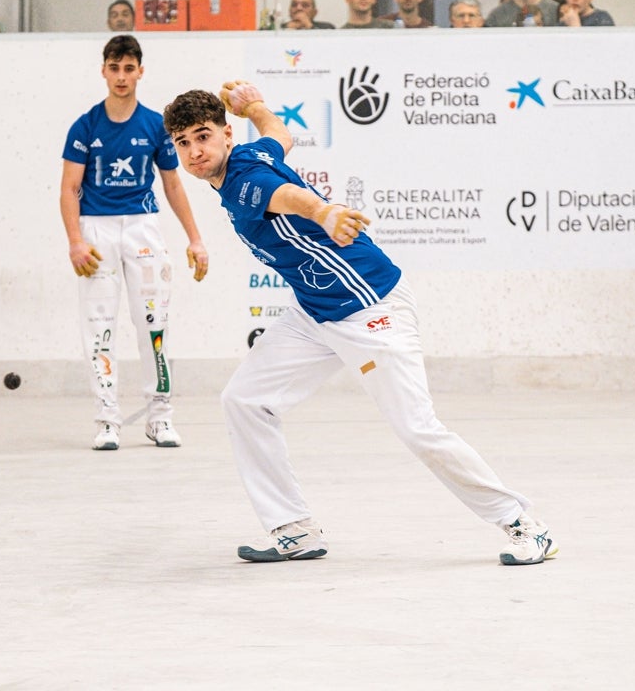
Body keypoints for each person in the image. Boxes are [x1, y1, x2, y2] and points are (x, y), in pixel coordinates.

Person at [160, 79, 556, 566]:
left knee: (417, 428)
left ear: (225, 135)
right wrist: (256, 106)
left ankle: (523, 524)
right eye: (183, 143)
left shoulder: (245, 182)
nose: (195, 151)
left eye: (203, 136)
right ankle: (295, 529)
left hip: (369, 307)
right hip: (315, 310)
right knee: (245, 400)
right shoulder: (254, 153)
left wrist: (324, 211)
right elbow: (281, 135)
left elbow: (285, 196)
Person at [59, 34, 209, 451]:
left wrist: (195, 239)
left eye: (129, 68)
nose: (121, 76)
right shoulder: (85, 125)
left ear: (140, 71)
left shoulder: (154, 125)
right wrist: (75, 241)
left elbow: (173, 184)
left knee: (153, 324)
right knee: (99, 328)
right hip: (96, 232)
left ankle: (160, 417)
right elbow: (69, 188)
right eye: (114, 67)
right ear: (103, 70)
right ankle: (107, 419)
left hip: (143, 229)